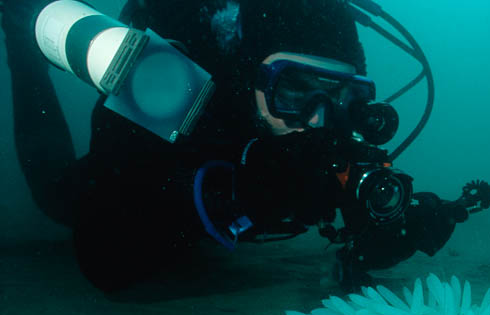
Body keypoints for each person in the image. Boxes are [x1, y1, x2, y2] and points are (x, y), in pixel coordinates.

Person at [0, 0, 464, 291]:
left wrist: (389, 229)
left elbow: (355, 214)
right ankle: (21, 39)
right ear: (249, 85)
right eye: (294, 92)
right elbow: (105, 263)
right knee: (56, 195)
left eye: (341, 97)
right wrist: (243, 193)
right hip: (155, 165)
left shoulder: (328, 132)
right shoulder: (170, 88)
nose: (318, 122)